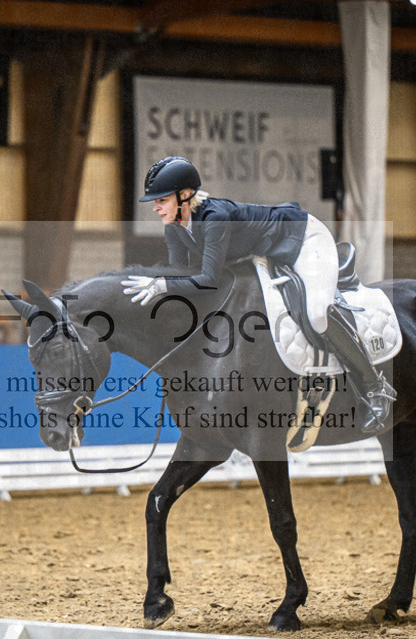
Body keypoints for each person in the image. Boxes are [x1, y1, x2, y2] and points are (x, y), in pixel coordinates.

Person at [122, 156, 395, 433]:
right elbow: (180, 273)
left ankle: (374, 387)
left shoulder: (214, 218)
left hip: (302, 239)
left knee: (318, 313)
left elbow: (207, 279)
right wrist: (157, 288)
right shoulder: (175, 228)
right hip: (270, 250)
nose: (155, 207)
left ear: (185, 195)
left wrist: (163, 285)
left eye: (162, 200)